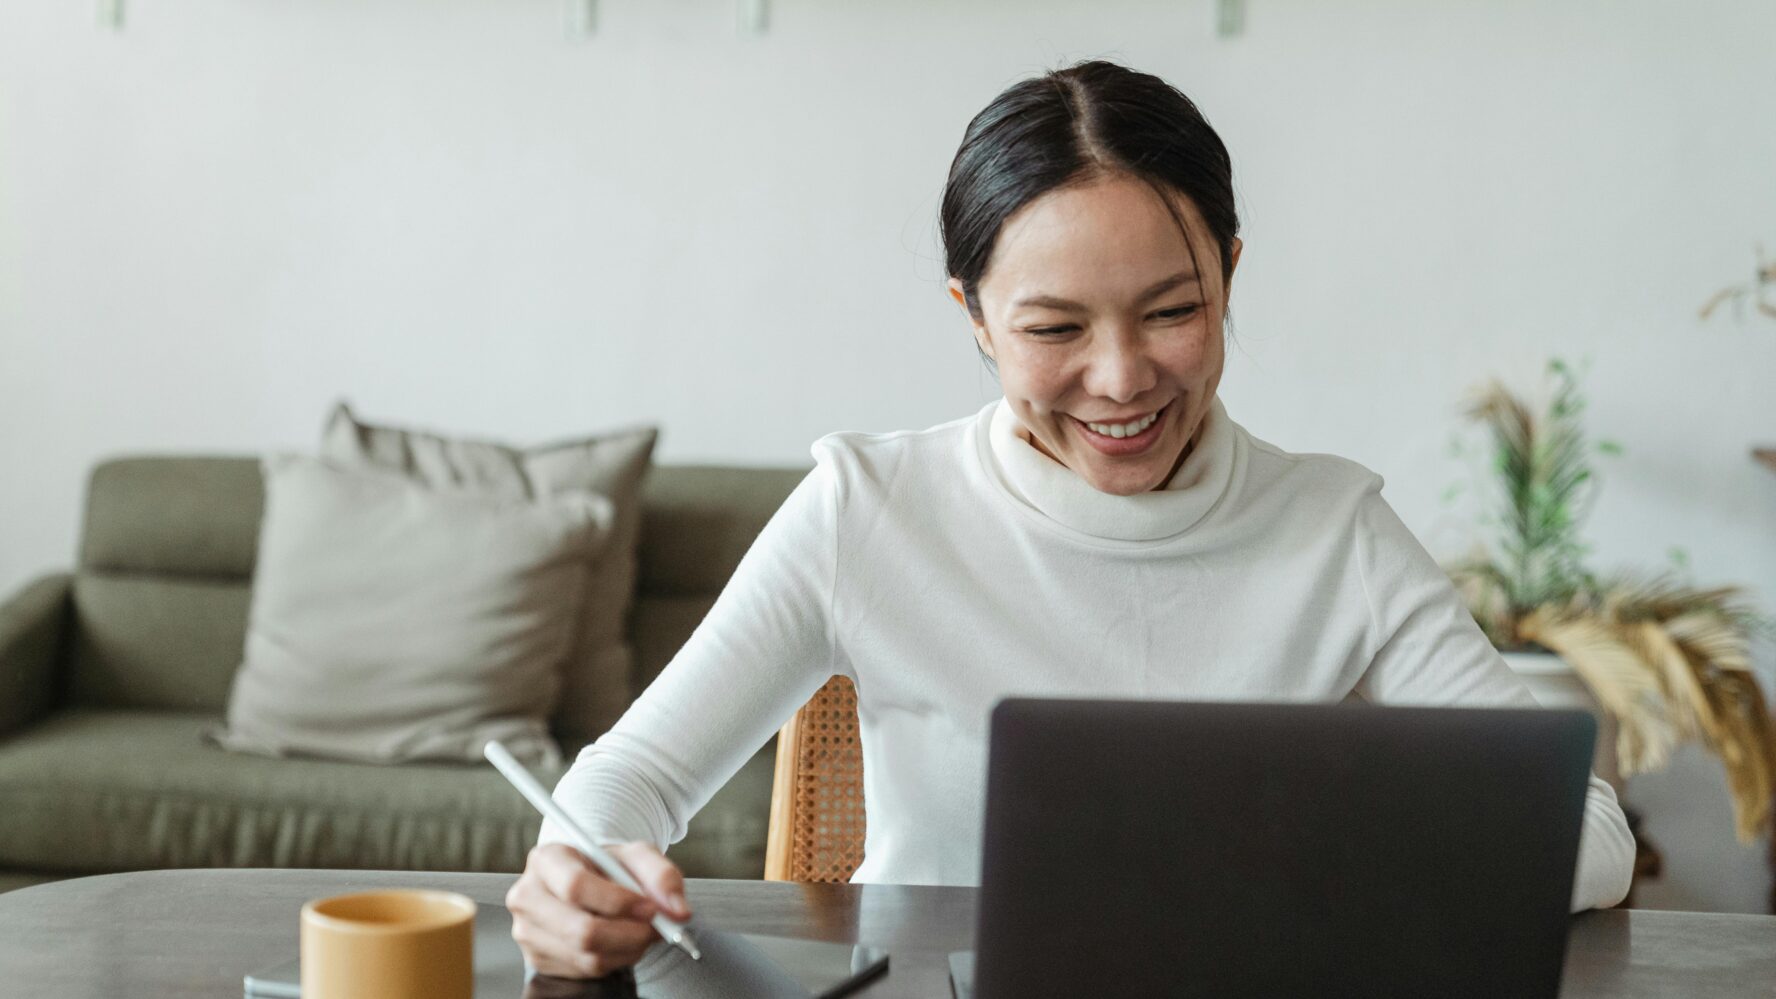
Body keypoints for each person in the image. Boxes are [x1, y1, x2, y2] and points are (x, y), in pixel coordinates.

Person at [504, 60, 1636, 979]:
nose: (1122, 378)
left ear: (1230, 277)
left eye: (1174, 310)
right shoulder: (869, 509)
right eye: (1053, 330)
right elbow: (628, 778)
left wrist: (1335, 864)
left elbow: (1588, 833)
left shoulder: (1333, 530)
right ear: (977, 319)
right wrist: (577, 870)